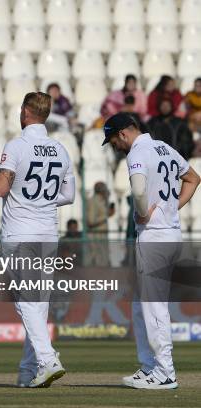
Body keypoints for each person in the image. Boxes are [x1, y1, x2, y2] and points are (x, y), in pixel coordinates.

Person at [102, 112, 200, 389]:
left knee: (154, 305)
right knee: (139, 304)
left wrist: (144, 213)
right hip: (170, 234)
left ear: (123, 133)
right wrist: (172, 207)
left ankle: (165, 372)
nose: (114, 147)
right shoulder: (164, 148)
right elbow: (193, 178)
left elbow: (138, 188)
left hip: (154, 237)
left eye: (112, 140)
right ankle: (149, 366)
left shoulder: (137, 153)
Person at [0, 92, 75, 388]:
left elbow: (0, 188)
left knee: (26, 302)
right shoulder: (61, 149)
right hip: (48, 232)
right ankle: (29, 371)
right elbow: (69, 195)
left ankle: (49, 360)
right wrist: (41, 200)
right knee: (38, 305)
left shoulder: (17, 145)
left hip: (21, 232)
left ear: (25, 111)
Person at [85, 182, 114, 267]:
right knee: (97, 261)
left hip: (101, 236)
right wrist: (106, 215)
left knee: (103, 260)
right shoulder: (93, 201)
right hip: (95, 237)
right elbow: (91, 221)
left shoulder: (102, 201)